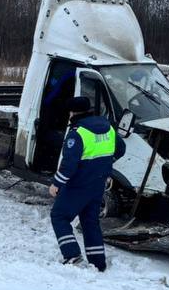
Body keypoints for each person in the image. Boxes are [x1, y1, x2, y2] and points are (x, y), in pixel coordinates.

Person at [49, 95, 126, 272]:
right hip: (98, 183)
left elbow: (69, 164)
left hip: (79, 184)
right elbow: (121, 149)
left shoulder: (77, 133)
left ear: (72, 112)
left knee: (59, 216)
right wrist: (104, 164)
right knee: (90, 221)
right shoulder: (107, 127)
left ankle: (72, 254)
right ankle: (98, 262)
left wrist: (56, 184)